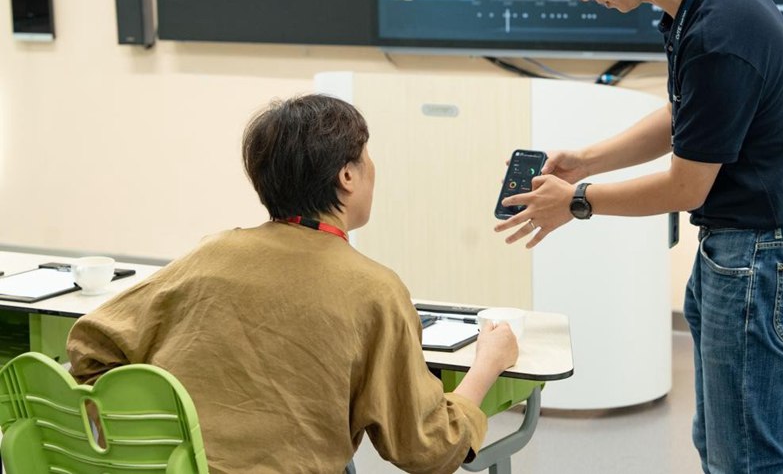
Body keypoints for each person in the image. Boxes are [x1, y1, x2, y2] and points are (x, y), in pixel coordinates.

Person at [495, 0, 783, 474]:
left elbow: (686, 186)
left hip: (762, 255)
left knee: (745, 460)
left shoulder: (719, 30)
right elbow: (689, 115)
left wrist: (577, 200)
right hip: (744, 247)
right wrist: (587, 160)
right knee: (722, 445)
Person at [68, 94, 519, 474]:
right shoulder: (375, 290)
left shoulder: (211, 253)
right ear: (347, 176)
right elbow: (428, 447)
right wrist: (487, 364)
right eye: (366, 157)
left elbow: (91, 345)